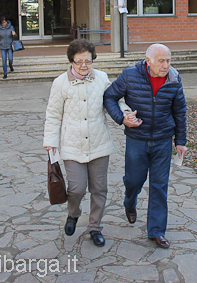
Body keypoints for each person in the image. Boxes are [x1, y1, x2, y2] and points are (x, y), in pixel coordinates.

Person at [43, 39, 136, 247]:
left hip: (99, 143)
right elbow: (53, 115)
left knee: (99, 189)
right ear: (71, 61)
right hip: (72, 145)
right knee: (76, 189)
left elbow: (114, 99)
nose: (84, 65)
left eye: (88, 61)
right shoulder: (60, 83)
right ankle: (73, 214)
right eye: (79, 61)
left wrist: (126, 112)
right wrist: (50, 142)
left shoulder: (101, 78)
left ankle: (95, 227)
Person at [104, 44, 187, 249]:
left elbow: (179, 111)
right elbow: (109, 97)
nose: (166, 65)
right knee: (134, 181)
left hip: (163, 140)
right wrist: (121, 119)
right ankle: (130, 202)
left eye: (168, 60)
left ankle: (157, 231)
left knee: (159, 186)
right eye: (161, 61)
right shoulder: (130, 75)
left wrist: (180, 141)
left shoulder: (174, 79)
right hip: (137, 139)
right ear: (148, 61)